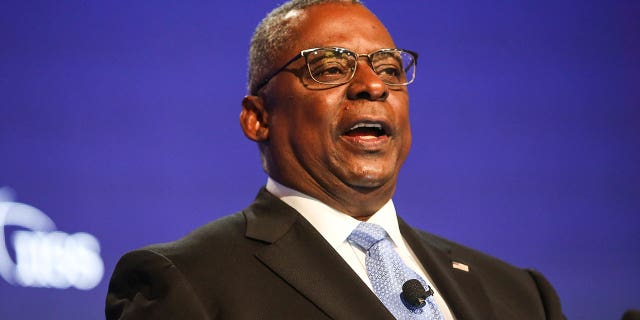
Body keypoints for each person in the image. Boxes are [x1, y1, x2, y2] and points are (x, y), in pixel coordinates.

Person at [105, 0, 565, 319]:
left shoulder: (520, 295)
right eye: (329, 68)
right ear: (258, 118)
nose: (374, 85)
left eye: (388, 68)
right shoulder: (187, 283)